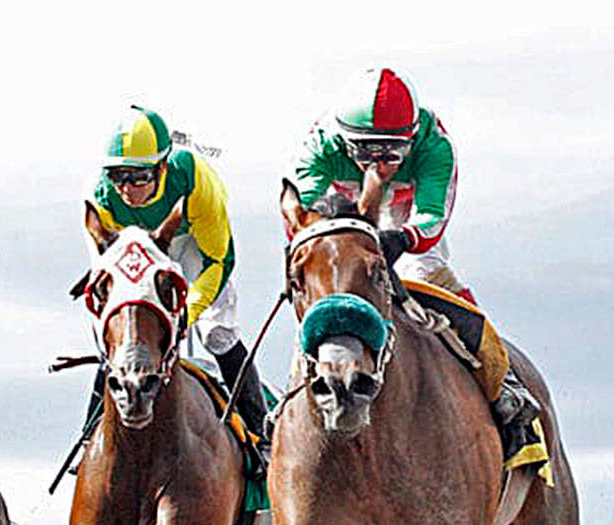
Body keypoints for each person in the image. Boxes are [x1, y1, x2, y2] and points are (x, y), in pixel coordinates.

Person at [289, 66, 539, 450]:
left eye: (392, 151)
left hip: (406, 216)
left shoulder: (434, 145)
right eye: (366, 151)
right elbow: (304, 216)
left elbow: (433, 217)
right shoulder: (318, 144)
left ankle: (504, 386)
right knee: (327, 284)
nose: (380, 163)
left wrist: (402, 237)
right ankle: (285, 407)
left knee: (421, 271)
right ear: (343, 140)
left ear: (411, 137)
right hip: (341, 212)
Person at [89, 105, 268, 439]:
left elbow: (219, 261)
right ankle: (90, 435)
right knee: (119, 338)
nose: (127, 189)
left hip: (191, 240)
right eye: (118, 177)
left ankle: (259, 430)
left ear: (161, 167)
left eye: (139, 177)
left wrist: (187, 313)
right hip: (135, 245)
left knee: (216, 331)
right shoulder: (101, 198)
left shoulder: (195, 180)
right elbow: (104, 283)